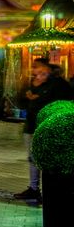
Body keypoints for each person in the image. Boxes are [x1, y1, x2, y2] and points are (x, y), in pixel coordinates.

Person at [15, 58, 72, 202]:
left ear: (47, 68)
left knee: (43, 158)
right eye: (33, 67)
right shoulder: (34, 82)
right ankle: (34, 189)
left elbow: (59, 102)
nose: (34, 70)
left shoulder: (57, 83)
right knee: (33, 159)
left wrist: (36, 98)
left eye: (37, 67)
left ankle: (40, 190)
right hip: (31, 125)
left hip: (46, 126)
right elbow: (20, 101)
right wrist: (29, 91)